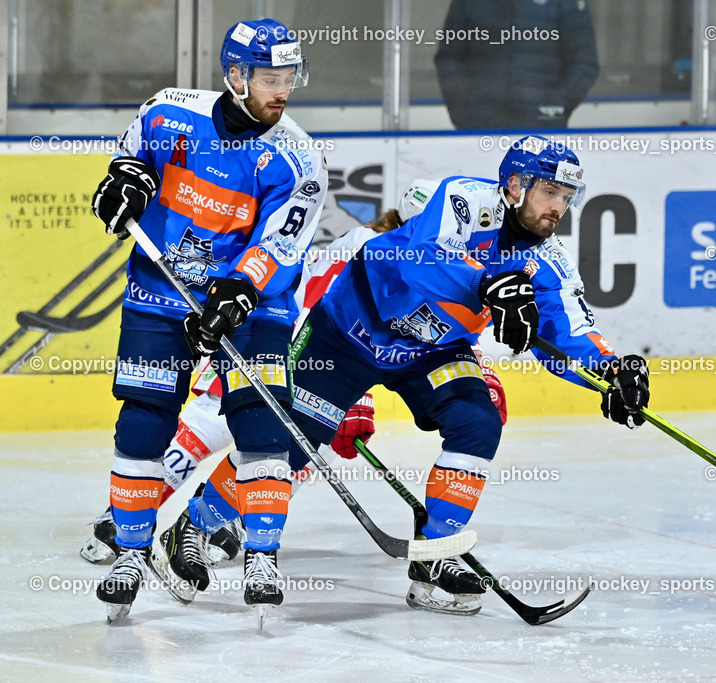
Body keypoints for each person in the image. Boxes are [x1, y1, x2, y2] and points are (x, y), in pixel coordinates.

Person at [180, 134, 648, 617]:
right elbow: (421, 261)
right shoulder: (463, 200)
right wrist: (488, 283)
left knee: (477, 420)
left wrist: (609, 372)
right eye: (550, 193)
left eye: (567, 198)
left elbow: (570, 331)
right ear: (515, 185)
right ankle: (196, 523)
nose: (559, 208)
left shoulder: (547, 261)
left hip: (433, 350)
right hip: (349, 334)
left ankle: (436, 554)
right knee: (293, 443)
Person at [81, 180, 509, 572]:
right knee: (207, 427)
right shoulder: (368, 246)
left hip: (323, 358)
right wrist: (350, 397)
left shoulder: (463, 265)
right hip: (276, 348)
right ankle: (123, 519)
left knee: (298, 455)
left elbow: (448, 331)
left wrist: (480, 374)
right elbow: (315, 310)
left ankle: (233, 519)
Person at [89, 18, 327, 622]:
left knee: (263, 419)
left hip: (254, 301)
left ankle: (261, 554)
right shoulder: (169, 112)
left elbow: (281, 245)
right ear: (235, 75)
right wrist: (124, 181)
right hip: (160, 290)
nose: (282, 91)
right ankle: (131, 551)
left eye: (289, 78)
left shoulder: (297, 159)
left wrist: (238, 292)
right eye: (270, 78)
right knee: (144, 420)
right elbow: (130, 154)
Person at [434, 0, 599, 130]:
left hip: (543, 130)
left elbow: (583, 62)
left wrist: (554, 107)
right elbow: (449, 57)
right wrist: (462, 110)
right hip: (479, 126)